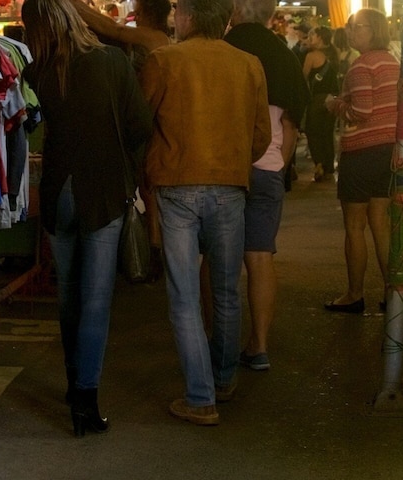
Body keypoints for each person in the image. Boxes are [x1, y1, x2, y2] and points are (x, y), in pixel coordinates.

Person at [21, 0, 154, 438]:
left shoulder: (36, 72)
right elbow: (139, 126)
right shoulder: (112, 61)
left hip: (58, 191)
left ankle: (72, 380)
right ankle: (85, 400)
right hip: (104, 191)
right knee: (96, 299)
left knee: (69, 296)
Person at [142, 0, 270, 426]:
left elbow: (142, 123)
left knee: (184, 297)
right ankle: (224, 380)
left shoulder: (164, 61)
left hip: (177, 183)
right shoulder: (249, 65)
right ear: (226, 19)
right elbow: (261, 135)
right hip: (230, 185)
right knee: (227, 291)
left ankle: (200, 397)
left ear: (188, 17)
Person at [224, 0, 304, 371]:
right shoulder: (284, 56)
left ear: (236, 10)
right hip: (268, 166)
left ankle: (215, 342)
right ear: (271, 14)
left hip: (222, 168)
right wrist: (279, 164)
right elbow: (291, 124)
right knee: (260, 257)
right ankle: (258, 345)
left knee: (215, 257)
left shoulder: (222, 49)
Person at [322, 9, 398, 313]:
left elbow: (362, 112)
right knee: (381, 222)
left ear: (373, 30)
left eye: (356, 27)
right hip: (388, 150)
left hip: (361, 152)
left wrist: (335, 104)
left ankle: (354, 294)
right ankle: (392, 292)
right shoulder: (393, 63)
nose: (349, 31)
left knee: (354, 226)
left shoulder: (362, 66)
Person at [303, 26, 341, 180]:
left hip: (318, 100)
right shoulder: (335, 54)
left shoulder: (312, 56)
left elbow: (303, 78)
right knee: (327, 133)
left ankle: (319, 164)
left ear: (319, 37)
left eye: (313, 35)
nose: (310, 38)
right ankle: (329, 166)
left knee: (313, 132)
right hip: (333, 99)